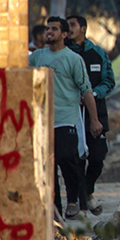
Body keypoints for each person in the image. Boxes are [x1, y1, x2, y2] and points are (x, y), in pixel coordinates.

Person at [30, 17, 104, 218]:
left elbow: (86, 91)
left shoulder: (73, 59)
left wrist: (95, 119)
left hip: (66, 119)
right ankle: (55, 215)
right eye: (47, 29)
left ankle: (73, 199)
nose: (49, 32)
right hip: (43, 122)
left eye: (54, 29)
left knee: (66, 158)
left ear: (64, 35)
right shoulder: (37, 57)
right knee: (48, 170)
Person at [66, 15, 115, 214]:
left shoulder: (98, 53)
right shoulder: (65, 54)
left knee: (97, 157)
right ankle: (76, 200)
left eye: (72, 25)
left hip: (96, 113)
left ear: (83, 29)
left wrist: (92, 95)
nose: (69, 29)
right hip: (72, 112)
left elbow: (109, 81)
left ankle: (87, 191)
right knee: (75, 159)